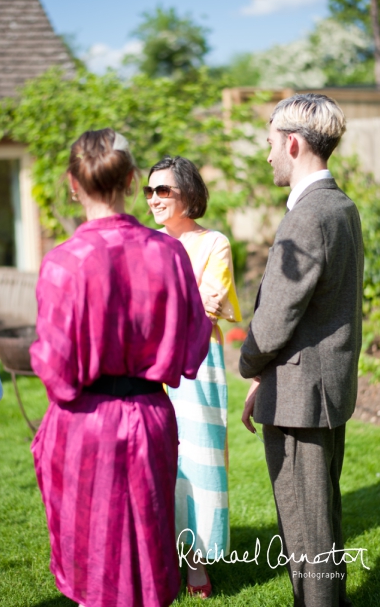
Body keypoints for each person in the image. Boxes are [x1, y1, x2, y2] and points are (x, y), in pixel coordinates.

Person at [29, 128, 211, 607]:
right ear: (132, 180)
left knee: (95, 564)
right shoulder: (169, 253)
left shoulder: (62, 263)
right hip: (150, 417)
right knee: (148, 559)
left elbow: (55, 368)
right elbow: (194, 343)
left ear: (73, 182)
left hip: (85, 423)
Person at [240, 93, 361, 607]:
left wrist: (249, 367)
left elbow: (274, 319)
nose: (267, 155)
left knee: (307, 534)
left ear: (292, 143)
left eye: (269, 144)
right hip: (322, 393)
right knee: (321, 523)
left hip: (300, 398)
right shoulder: (342, 206)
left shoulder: (308, 216)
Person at [146, 155, 242, 597]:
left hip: (198, 365)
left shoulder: (213, 243)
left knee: (199, 463)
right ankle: (160, 555)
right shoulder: (145, 243)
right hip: (148, 368)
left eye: (163, 190)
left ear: (188, 193)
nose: (154, 198)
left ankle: (198, 562)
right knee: (158, 463)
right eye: (149, 190)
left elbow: (207, 303)